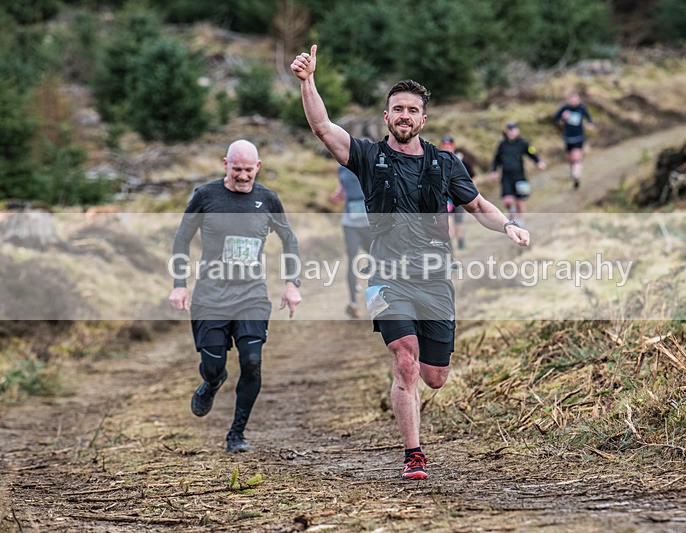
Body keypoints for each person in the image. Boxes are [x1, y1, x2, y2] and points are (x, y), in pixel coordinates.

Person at [291, 45, 530, 480]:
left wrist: (508, 225)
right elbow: (324, 127)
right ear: (387, 117)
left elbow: (477, 206)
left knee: (435, 376)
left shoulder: (444, 164)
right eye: (396, 108)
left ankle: (419, 392)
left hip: (435, 280)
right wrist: (308, 83)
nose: (404, 115)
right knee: (405, 361)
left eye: (412, 110)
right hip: (386, 277)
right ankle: (413, 453)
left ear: (423, 119)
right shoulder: (367, 156)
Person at [168, 139, 302, 454]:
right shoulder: (205, 196)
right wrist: (179, 283)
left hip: (251, 295)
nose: (242, 176)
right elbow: (181, 238)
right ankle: (212, 382)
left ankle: (236, 434)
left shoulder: (268, 199)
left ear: (258, 167)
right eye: (236, 169)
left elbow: (289, 240)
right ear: (225, 164)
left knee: (252, 361)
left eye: (248, 171)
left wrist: (292, 283)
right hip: (210, 296)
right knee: (214, 366)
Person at [330, 164, 372, 318]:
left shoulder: (368, 162)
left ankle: (380, 298)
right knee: (352, 259)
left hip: (370, 223)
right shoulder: (341, 168)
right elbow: (342, 187)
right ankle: (353, 303)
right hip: (350, 223)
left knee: (375, 258)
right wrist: (337, 195)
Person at [490, 122, 546, 219]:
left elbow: (531, 152)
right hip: (506, 176)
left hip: (519, 175)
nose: (511, 133)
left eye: (513, 130)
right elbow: (496, 158)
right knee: (507, 201)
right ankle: (512, 212)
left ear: (517, 131)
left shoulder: (523, 143)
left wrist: (538, 162)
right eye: (509, 130)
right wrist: (494, 171)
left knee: (519, 201)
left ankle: (520, 222)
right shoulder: (502, 145)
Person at [551, 91, 594, 189]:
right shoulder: (564, 108)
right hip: (568, 138)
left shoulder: (582, 108)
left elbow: (588, 117)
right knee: (570, 158)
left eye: (576, 99)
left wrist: (590, 124)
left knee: (576, 158)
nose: (574, 102)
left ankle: (576, 177)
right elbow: (554, 119)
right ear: (569, 100)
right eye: (572, 99)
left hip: (579, 137)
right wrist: (562, 117)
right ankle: (573, 172)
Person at [439, 136, 476, 250]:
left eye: (449, 145)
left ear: (453, 146)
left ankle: (460, 241)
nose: (446, 147)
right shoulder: (437, 160)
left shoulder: (461, 160)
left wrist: (468, 191)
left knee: (458, 225)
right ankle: (450, 251)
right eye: (444, 145)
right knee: (448, 226)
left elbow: (473, 176)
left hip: (459, 199)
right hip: (445, 199)